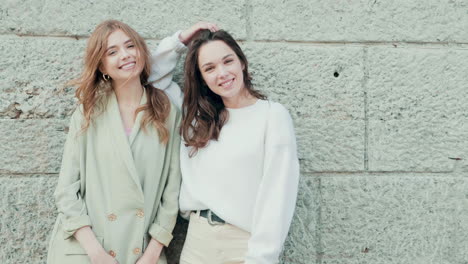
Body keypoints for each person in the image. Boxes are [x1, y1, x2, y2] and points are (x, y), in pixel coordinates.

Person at [47, 20, 216, 264]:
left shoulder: (166, 111)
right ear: (102, 65)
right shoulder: (88, 113)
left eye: (130, 46)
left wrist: (152, 253)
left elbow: (171, 194)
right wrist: (96, 253)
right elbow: (66, 191)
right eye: (112, 52)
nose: (125, 55)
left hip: (142, 254)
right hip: (85, 251)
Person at [172, 29, 300, 264]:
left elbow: (278, 194)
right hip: (197, 244)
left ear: (242, 62)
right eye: (209, 68)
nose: (222, 73)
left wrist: (261, 258)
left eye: (227, 61)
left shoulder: (272, 116)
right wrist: (179, 41)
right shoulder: (195, 117)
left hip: (243, 246)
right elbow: (151, 78)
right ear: (201, 78)